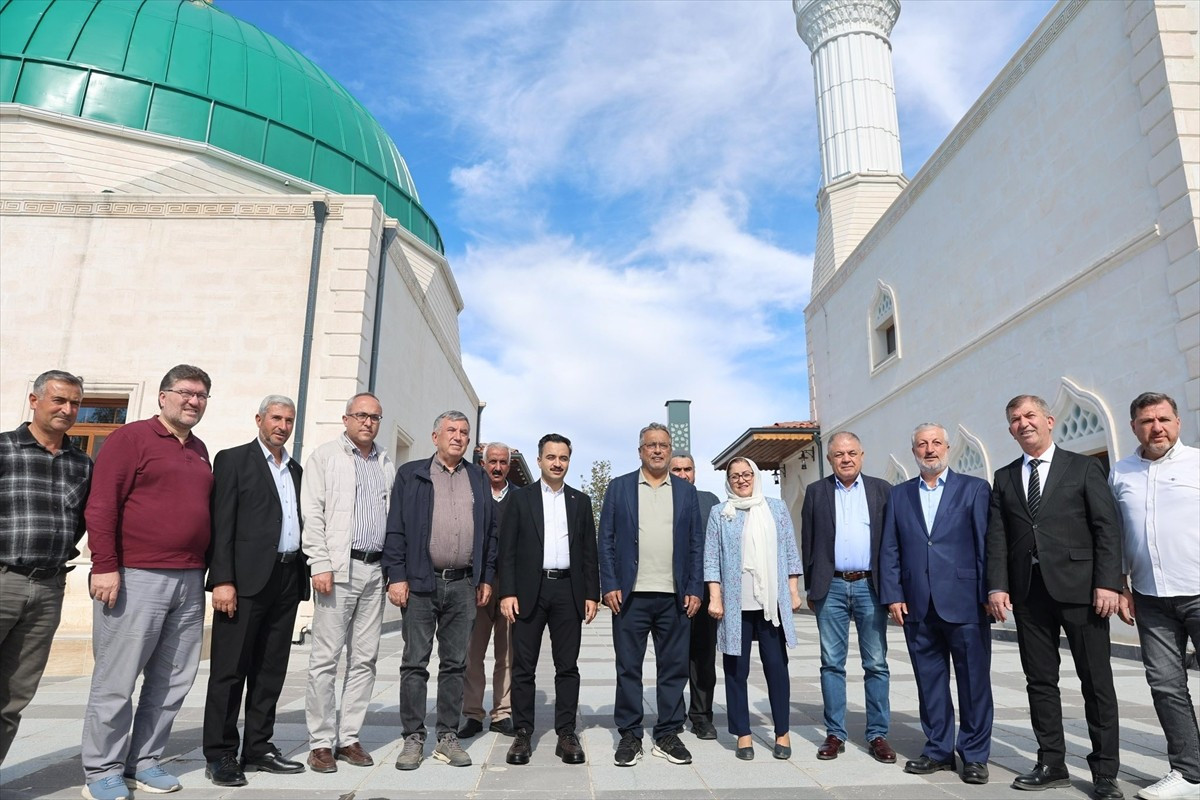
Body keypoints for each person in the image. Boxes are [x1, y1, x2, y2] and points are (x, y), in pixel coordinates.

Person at [80, 365, 214, 800]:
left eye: (202, 395)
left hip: (189, 579)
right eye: (186, 393)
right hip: (136, 576)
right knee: (117, 679)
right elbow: (101, 506)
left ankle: (146, 761)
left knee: (173, 679)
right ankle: (102, 769)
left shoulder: (199, 449)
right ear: (162, 396)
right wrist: (104, 566)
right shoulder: (130, 439)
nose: (193, 401)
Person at [987, 394, 1124, 800]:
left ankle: (1104, 772)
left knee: (1096, 682)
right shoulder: (1005, 476)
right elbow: (998, 539)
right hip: (1029, 595)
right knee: (1040, 681)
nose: (1023, 423)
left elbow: (1107, 528)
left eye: (1030, 415)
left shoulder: (1083, 467)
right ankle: (1051, 762)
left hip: (1083, 591)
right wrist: (997, 586)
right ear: (1010, 429)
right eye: (1015, 419)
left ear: (1049, 420)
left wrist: (1109, 583)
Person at [879, 424, 993, 785]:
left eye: (936, 443)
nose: (929, 450)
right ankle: (938, 750)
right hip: (917, 604)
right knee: (930, 682)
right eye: (922, 444)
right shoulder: (899, 496)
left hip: (965, 602)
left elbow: (986, 546)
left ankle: (974, 755)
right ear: (914, 451)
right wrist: (893, 594)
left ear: (948, 447)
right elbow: (890, 548)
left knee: (974, 682)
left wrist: (990, 592)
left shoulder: (974, 489)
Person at [202, 396, 307, 786]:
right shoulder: (233, 460)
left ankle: (259, 746)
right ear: (259, 419)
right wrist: (223, 580)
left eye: (289, 420)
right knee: (230, 671)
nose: (282, 425)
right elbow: (222, 523)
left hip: (286, 580)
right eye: (276, 418)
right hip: (243, 584)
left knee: (270, 671)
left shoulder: (295, 469)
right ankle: (221, 753)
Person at [385, 411, 498, 771]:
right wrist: (397, 576)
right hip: (420, 582)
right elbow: (396, 528)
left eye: (464, 432)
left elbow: (490, 534)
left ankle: (447, 736)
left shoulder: (478, 477)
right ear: (435, 436)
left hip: (464, 584)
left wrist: (486, 578)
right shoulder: (412, 474)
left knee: (455, 664)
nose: (458, 436)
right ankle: (413, 738)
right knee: (415, 663)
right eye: (451, 430)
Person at [598, 422, 704, 767]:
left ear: (670, 449)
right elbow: (607, 541)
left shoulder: (686, 493)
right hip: (631, 596)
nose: (657, 450)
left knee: (673, 668)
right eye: (650, 445)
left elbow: (695, 546)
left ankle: (668, 733)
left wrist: (694, 588)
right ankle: (630, 735)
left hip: (675, 596)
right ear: (640, 450)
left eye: (663, 445)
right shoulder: (619, 488)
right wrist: (610, 584)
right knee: (628, 667)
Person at [1110, 393, 1200, 800]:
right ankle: (1188, 773)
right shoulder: (1120, 473)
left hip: (1198, 590)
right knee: (1165, 685)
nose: (1156, 427)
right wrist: (1122, 584)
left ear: (1178, 422)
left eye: (1164, 419)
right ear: (1134, 428)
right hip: (1149, 597)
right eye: (1147, 421)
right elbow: (1114, 536)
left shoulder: (1197, 464)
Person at [301, 392, 396, 774]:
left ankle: (349, 737)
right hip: (338, 570)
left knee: (365, 659)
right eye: (361, 415)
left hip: (376, 571)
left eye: (374, 417)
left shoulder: (386, 461)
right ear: (346, 419)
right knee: (325, 658)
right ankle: (321, 742)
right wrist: (319, 562)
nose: (368, 422)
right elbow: (313, 512)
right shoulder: (325, 457)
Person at [0, 370, 92, 764]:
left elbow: (85, 522)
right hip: (4, 579)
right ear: (34, 401)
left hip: (50, 587)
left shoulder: (82, 464)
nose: (67, 410)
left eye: (74, 403)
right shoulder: (3, 449)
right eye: (59, 400)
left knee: (16, 694)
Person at [499, 433, 600, 765]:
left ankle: (566, 734)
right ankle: (523, 733)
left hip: (568, 591)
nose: (558, 463)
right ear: (540, 459)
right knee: (524, 667)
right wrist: (507, 592)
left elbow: (589, 552)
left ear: (569, 461)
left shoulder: (580, 501)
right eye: (551, 457)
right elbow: (507, 550)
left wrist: (591, 594)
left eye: (564, 458)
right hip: (530, 590)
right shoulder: (520, 499)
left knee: (567, 667)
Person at [799, 431, 895, 764]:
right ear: (829, 459)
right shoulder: (816, 492)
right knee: (832, 664)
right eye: (839, 454)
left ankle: (878, 734)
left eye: (852, 452)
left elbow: (893, 543)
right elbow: (808, 542)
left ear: (862, 454)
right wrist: (812, 587)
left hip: (871, 586)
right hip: (833, 587)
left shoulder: (883, 490)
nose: (846, 459)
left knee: (876, 663)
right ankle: (835, 733)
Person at [704, 457, 802, 761]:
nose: (742, 480)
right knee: (736, 671)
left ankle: (782, 732)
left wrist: (793, 590)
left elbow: (789, 549)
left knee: (776, 668)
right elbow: (711, 558)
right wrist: (715, 597)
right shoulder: (720, 513)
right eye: (735, 476)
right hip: (735, 604)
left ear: (755, 476)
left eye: (747, 474)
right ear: (728, 480)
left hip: (769, 603)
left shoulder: (775, 508)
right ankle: (743, 734)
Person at [460, 442, 515, 739]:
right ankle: (471, 713)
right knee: (473, 654)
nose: (496, 467)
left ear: (509, 464)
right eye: (491, 461)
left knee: (507, 655)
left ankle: (502, 712)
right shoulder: (472, 494)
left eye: (502, 462)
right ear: (482, 463)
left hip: (508, 591)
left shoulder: (519, 498)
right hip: (476, 588)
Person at [669, 452, 722, 741]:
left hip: (703, 592)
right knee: (673, 658)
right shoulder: (659, 500)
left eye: (687, 469)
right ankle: (673, 716)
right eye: (676, 469)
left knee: (703, 659)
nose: (683, 474)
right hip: (670, 592)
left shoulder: (709, 501)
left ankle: (701, 717)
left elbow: (718, 546)